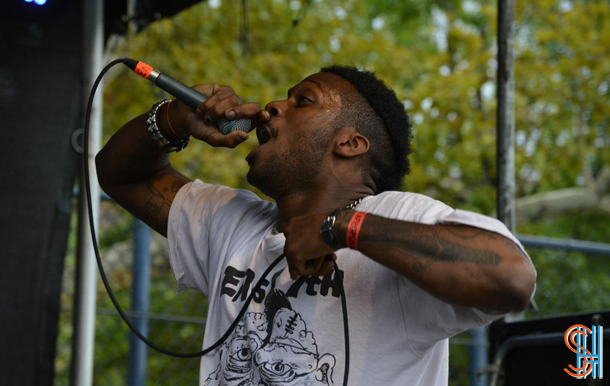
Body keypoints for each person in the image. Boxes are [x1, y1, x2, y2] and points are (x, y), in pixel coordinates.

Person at [96, 65, 536, 386]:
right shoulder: (232, 223)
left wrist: (338, 229)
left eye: (301, 101)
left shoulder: (397, 215)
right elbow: (119, 174)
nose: (271, 108)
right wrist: (173, 118)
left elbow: (510, 276)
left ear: (349, 143)